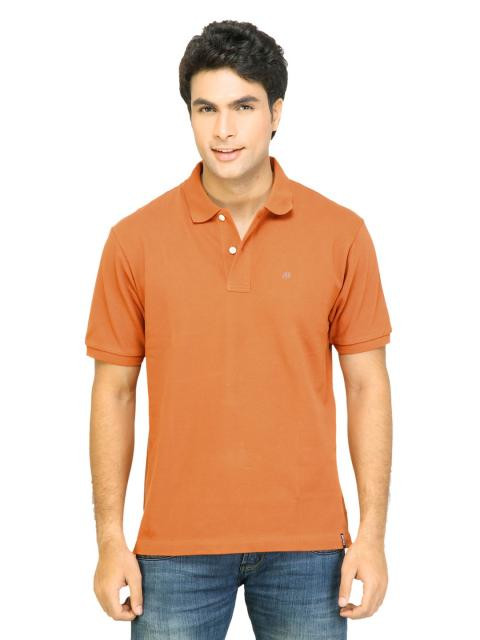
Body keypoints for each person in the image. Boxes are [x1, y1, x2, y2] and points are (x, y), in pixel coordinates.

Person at [85, 19, 393, 640]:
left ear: (276, 112)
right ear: (190, 115)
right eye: (207, 109)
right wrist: (110, 539)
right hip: (173, 548)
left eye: (243, 107)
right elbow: (113, 392)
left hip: (309, 547)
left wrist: (373, 536)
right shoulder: (134, 240)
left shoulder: (341, 234)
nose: (223, 130)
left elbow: (368, 386)